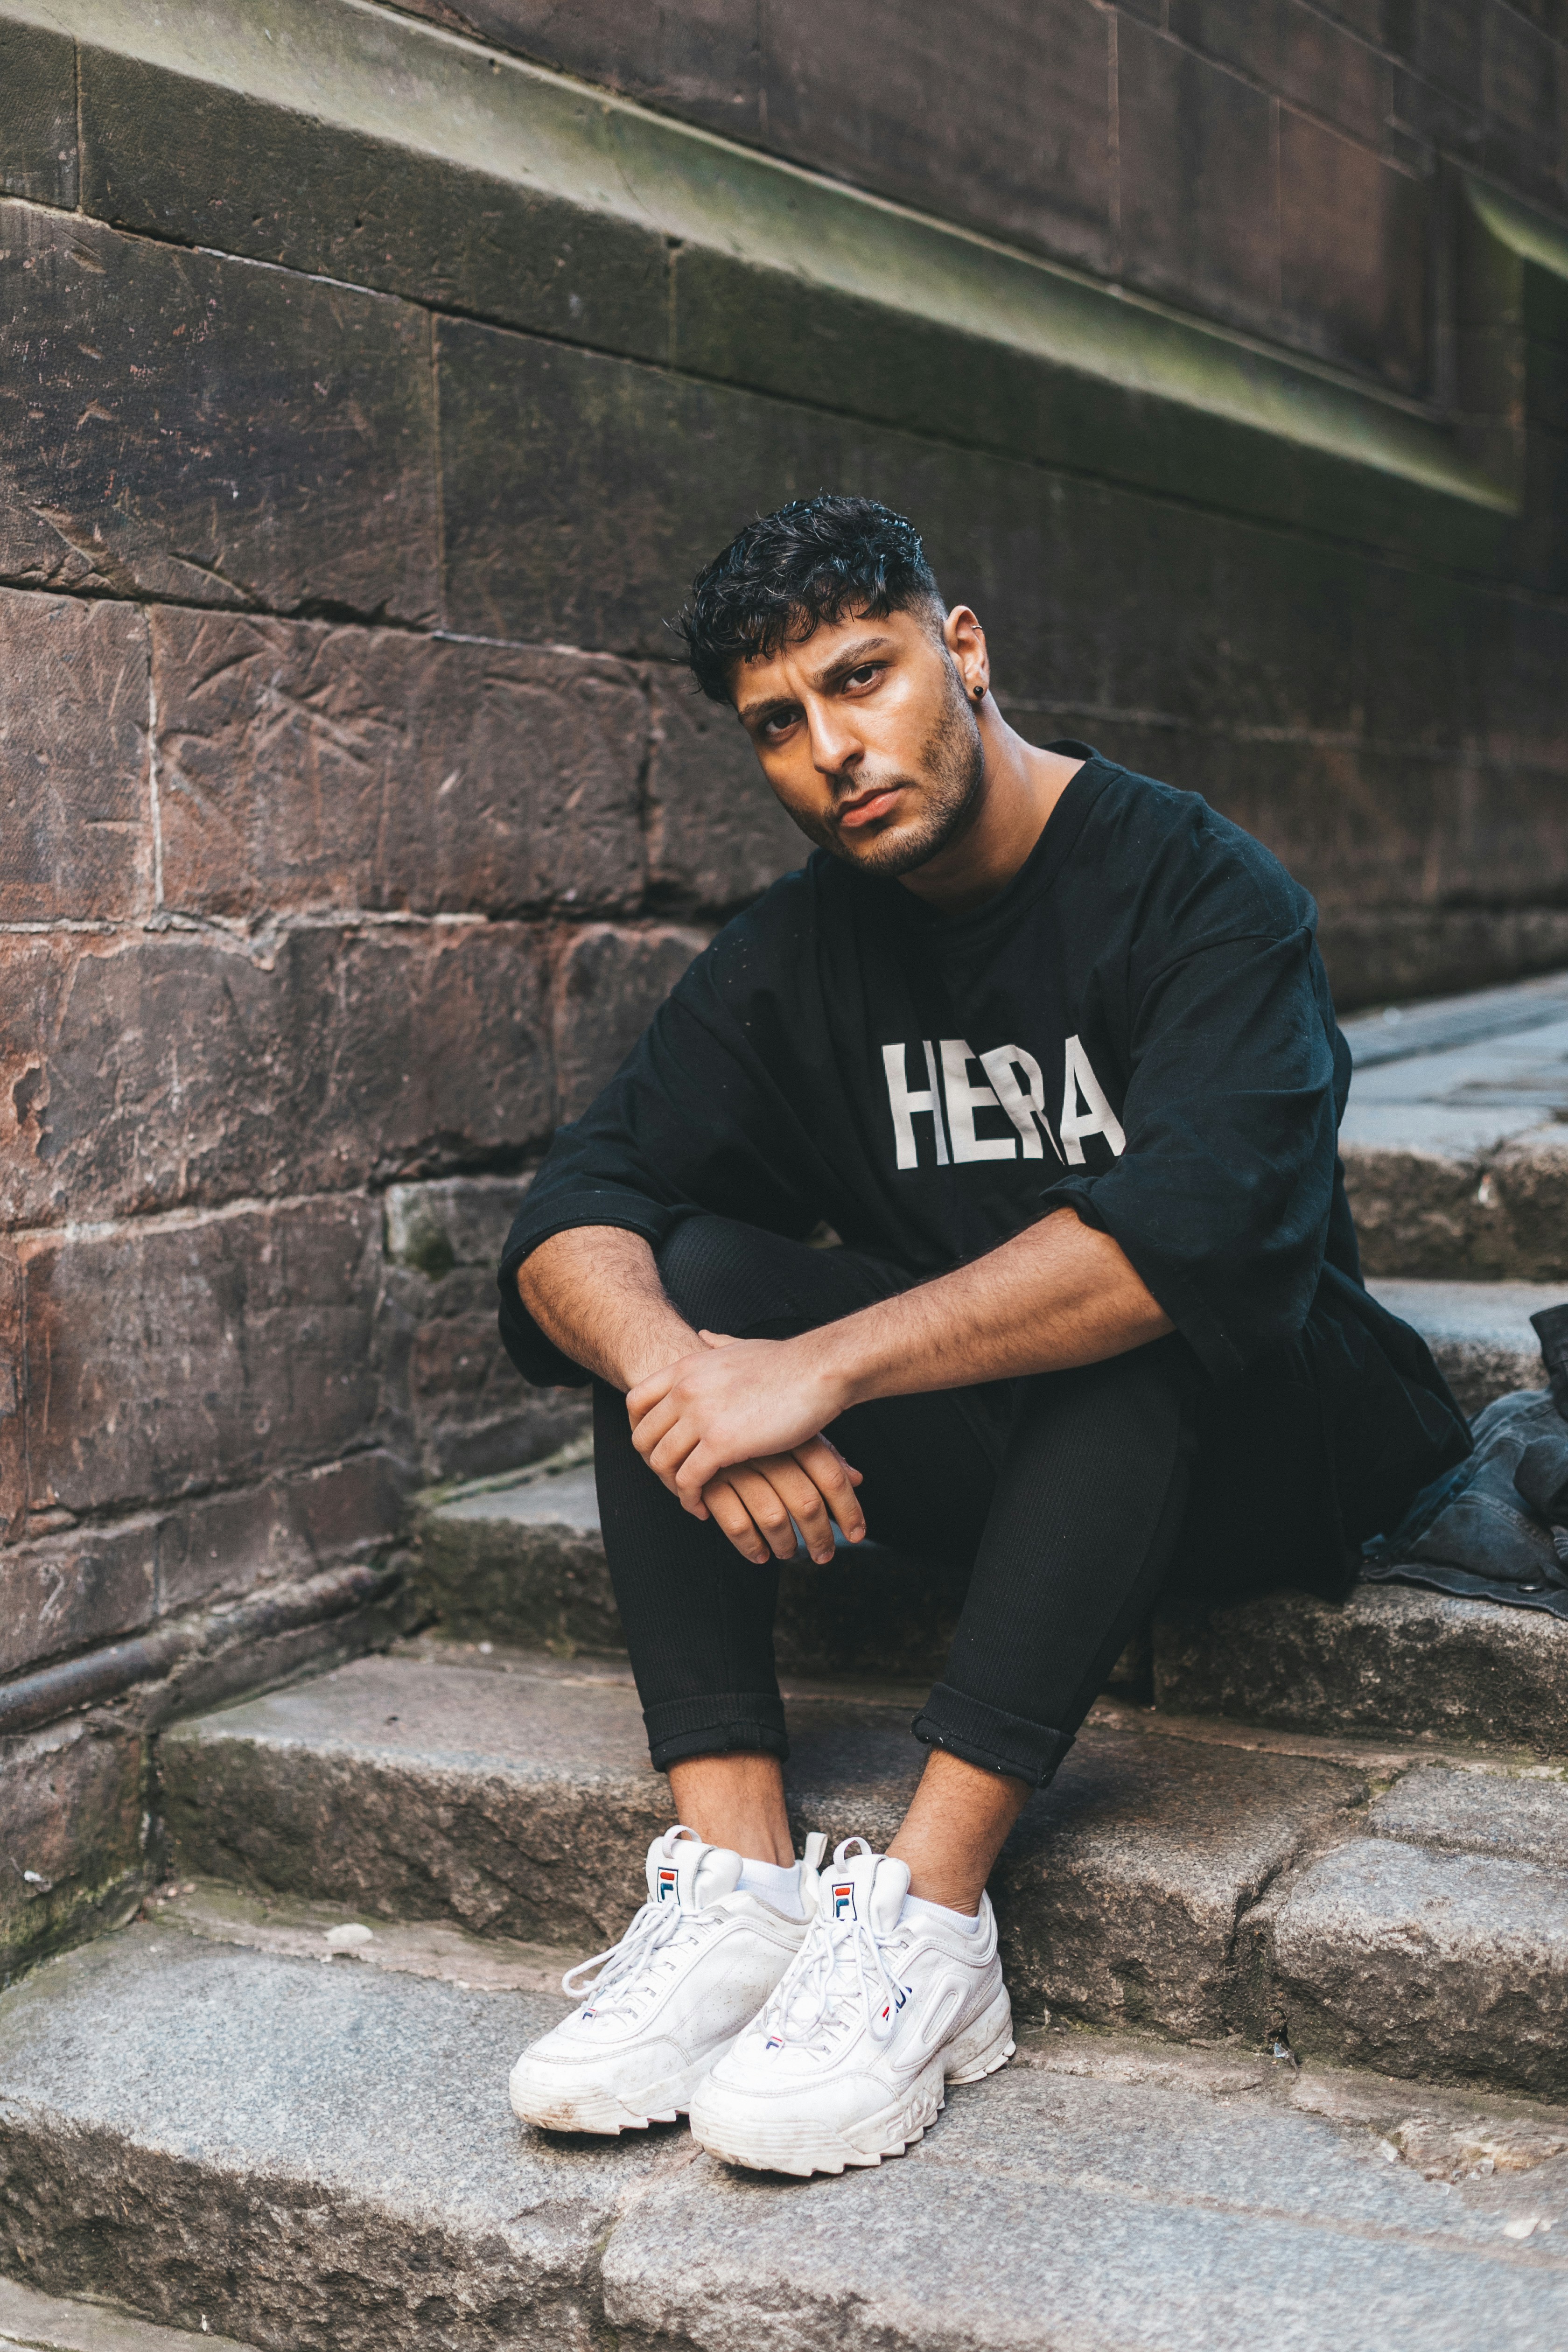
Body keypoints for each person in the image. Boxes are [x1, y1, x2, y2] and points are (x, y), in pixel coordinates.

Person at [496, 494, 1469, 2178]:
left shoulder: (1200, 888)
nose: (832, 752)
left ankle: (932, 1930)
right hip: (1019, 1463)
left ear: (964, 650)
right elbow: (578, 1200)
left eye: (862, 680)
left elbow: (1201, 1243)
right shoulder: (801, 952)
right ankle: (737, 1888)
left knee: (1116, 1290)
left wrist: (832, 1367)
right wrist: (687, 1371)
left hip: (1264, 1438)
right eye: (779, 727)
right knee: (673, 1282)